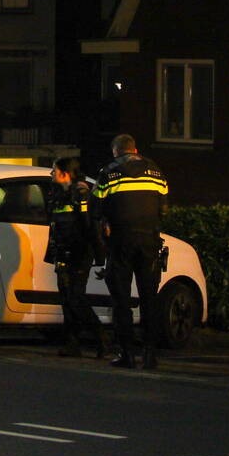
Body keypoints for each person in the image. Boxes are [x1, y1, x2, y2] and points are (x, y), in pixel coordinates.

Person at [91, 134, 169, 369]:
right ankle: (150, 354)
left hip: (121, 242)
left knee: (121, 300)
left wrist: (104, 229)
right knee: (149, 299)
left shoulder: (108, 173)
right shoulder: (156, 171)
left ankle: (126, 353)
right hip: (149, 242)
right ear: (135, 149)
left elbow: (94, 210)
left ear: (116, 152)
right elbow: (164, 209)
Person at [45, 156, 110, 358]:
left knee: (76, 298)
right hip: (63, 252)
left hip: (79, 253)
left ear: (65, 174)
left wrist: (99, 256)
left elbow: (90, 227)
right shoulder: (58, 194)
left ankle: (101, 339)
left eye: (54, 170)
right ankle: (72, 343)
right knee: (66, 298)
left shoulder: (81, 194)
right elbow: (55, 226)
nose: (51, 174)